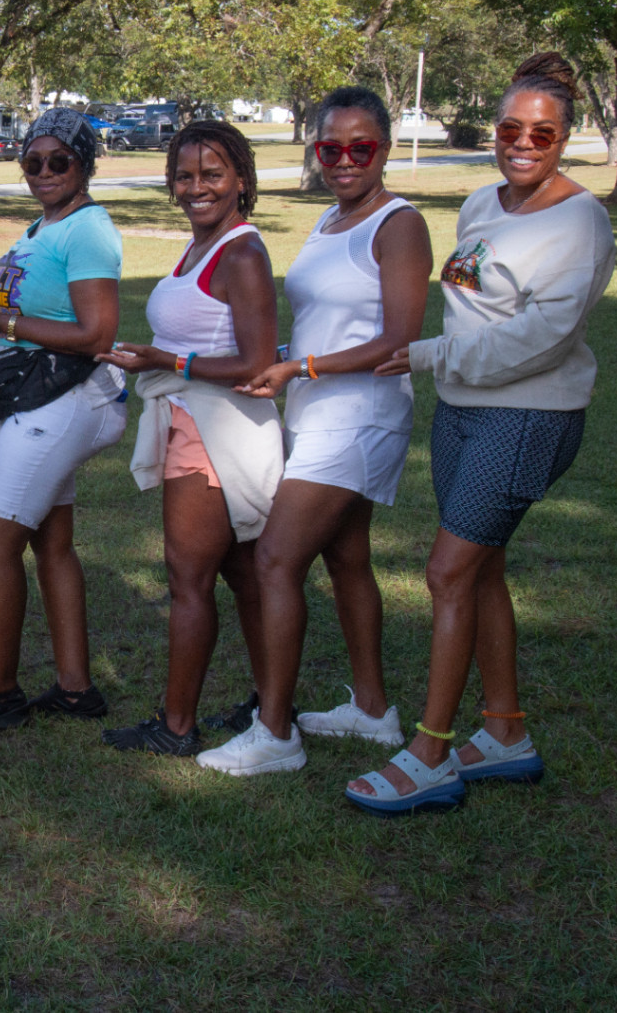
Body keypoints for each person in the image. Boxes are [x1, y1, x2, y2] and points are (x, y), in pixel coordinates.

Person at [347, 52, 615, 814]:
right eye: (510, 127)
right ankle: (504, 732)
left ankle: (431, 750)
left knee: (447, 572)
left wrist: (429, 354)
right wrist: (445, 365)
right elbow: (473, 302)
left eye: (544, 131)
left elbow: (544, 338)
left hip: (530, 414)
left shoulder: (581, 221)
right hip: (463, 409)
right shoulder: (480, 206)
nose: (523, 142)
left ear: (567, 137)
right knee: (483, 568)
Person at [190, 87, 432, 775]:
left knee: (274, 559)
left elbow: (400, 336)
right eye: (332, 148)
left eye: (363, 147)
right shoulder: (330, 219)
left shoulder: (399, 223)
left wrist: (301, 365)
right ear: (316, 150)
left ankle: (276, 731)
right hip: (318, 411)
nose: (346, 160)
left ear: (384, 147)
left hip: (362, 416)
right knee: (347, 558)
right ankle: (373, 708)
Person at [0, 108, 127, 729]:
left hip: (64, 397)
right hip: (40, 396)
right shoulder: (44, 226)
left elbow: (97, 332)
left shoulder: (88, 230)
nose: (43, 172)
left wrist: (0, 323)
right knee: (51, 540)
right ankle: (75, 688)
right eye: (32, 161)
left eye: (58, 161)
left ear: (85, 164)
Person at [97, 120, 282, 757]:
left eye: (212, 174)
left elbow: (258, 365)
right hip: (193, 422)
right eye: (184, 175)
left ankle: (176, 727)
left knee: (188, 579)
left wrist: (166, 362)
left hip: (215, 433)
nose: (195, 187)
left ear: (241, 181)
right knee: (238, 572)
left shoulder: (242, 254)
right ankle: (271, 701)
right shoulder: (203, 244)